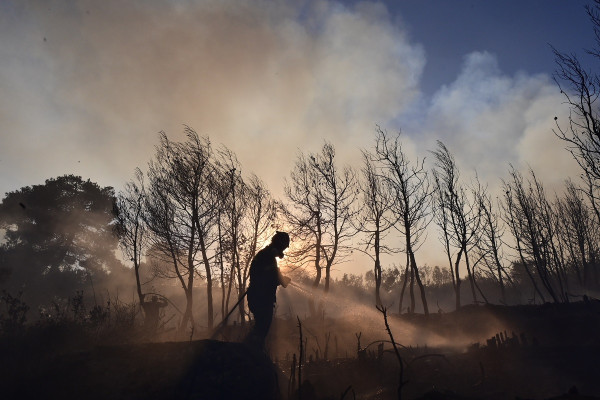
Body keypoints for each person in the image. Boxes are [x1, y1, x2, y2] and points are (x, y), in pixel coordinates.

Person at [246, 231, 291, 348]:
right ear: (279, 245)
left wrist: (281, 279)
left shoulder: (265, 255)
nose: (284, 251)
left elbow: (270, 276)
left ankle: (250, 351)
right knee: (262, 328)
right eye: (284, 247)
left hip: (257, 297)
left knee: (260, 328)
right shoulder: (268, 257)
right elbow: (268, 278)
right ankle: (251, 353)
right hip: (262, 298)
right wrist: (282, 280)